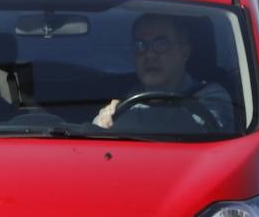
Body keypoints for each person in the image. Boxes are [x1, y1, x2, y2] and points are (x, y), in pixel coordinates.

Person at [92, 13, 235, 130]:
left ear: (184, 52)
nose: (149, 54)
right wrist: (103, 124)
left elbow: (206, 137)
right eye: (140, 45)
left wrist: (124, 121)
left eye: (161, 44)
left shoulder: (212, 96)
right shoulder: (125, 100)